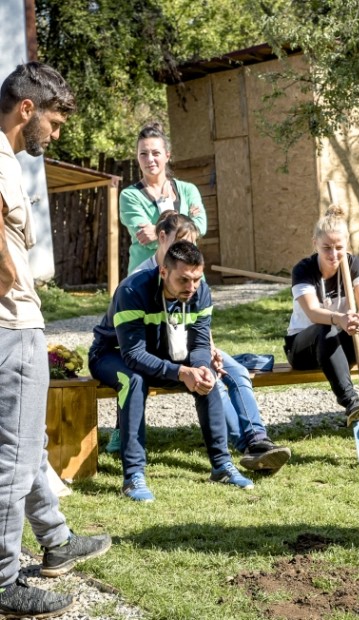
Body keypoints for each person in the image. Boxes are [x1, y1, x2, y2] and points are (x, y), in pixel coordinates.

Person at [0, 62, 111, 618]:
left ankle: (57, 541)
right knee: (14, 461)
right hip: (11, 329)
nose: (57, 134)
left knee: (26, 447)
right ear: (28, 110)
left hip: (13, 325)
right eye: (56, 122)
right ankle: (1, 581)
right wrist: (14, 284)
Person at [106, 210, 291, 473]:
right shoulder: (141, 279)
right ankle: (244, 445)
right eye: (181, 242)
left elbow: (198, 324)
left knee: (234, 370)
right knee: (211, 379)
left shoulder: (192, 275)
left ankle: (258, 440)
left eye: (193, 244)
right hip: (160, 352)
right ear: (162, 239)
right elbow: (136, 345)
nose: (188, 249)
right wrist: (193, 366)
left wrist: (209, 351)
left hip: (186, 345)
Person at [89, 240, 255, 502]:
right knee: (134, 381)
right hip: (113, 355)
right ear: (164, 272)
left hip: (165, 356)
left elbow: (200, 344)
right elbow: (132, 355)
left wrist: (199, 368)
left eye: (197, 279)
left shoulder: (201, 293)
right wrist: (180, 373)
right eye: (184, 280)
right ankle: (133, 476)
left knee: (206, 376)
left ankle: (221, 466)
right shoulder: (132, 290)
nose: (191, 288)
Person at [284, 204, 359, 426]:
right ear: (314, 243)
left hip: (337, 345)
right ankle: (351, 402)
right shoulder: (304, 270)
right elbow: (313, 312)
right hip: (303, 348)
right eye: (326, 247)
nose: (333, 254)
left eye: (339, 247)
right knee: (325, 327)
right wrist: (339, 319)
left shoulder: (355, 265)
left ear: (346, 244)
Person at [119, 122, 207, 275]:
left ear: (167, 155)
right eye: (143, 154)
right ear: (137, 158)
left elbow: (201, 226)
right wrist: (186, 229)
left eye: (156, 153)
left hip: (188, 275)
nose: (149, 159)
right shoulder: (130, 195)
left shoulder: (188, 190)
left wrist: (157, 231)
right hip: (146, 277)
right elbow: (145, 237)